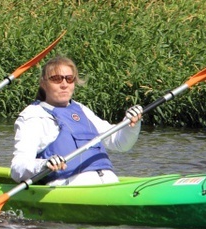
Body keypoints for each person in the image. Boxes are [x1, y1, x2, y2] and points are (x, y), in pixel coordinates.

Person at [11, 55, 143, 186]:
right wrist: (44, 164)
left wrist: (131, 123)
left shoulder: (81, 109)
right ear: (43, 83)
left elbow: (119, 143)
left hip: (109, 183)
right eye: (56, 79)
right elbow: (18, 168)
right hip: (69, 189)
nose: (64, 85)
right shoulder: (33, 116)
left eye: (69, 79)